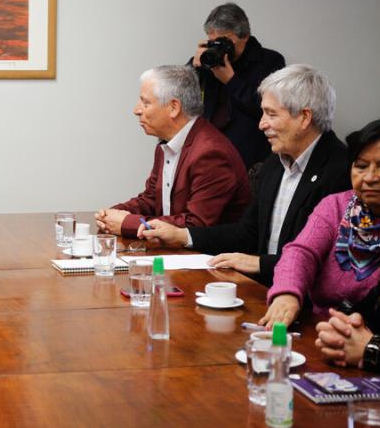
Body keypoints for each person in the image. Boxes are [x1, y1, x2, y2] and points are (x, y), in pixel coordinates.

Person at [137, 65, 350, 286]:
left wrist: (259, 264)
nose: (261, 124)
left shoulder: (341, 172)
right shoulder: (273, 165)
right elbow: (247, 232)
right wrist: (183, 236)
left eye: (271, 114)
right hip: (263, 290)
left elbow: (331, 261)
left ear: (304, 117)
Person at [260, 118, 380, 329]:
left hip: (375, 345)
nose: (369, 177)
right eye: (360, 166)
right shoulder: (336, 206)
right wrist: (287, 294)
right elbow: (301, 252)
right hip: (318, 329)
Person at [95, 65, 251, 238]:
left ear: (173, 108)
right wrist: (113, 214)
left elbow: (195, 225)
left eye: (146, 103)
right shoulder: (166, 142)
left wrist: (127, 223)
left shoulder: (211, 152)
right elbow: (151, 199)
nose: (136, 110)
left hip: (212, 259)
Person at [191, 2, 285, 169]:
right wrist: (194, 67)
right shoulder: (209, 60)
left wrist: (231, 81)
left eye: (224, 41)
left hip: (249, 159)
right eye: (213, 42)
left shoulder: (270, 62)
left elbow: (271, 112)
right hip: (208, 154)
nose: (219, 48)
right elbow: (180, 97)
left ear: (245, 37)